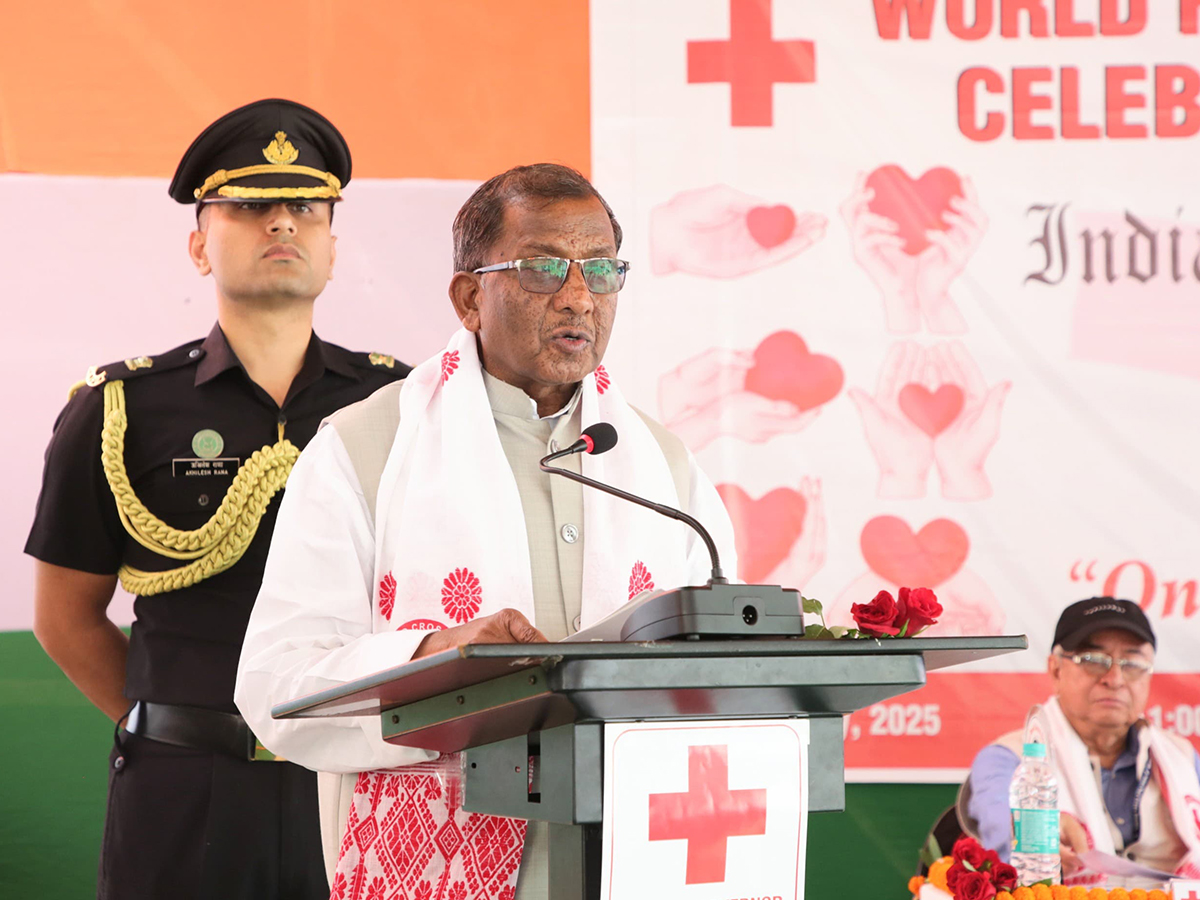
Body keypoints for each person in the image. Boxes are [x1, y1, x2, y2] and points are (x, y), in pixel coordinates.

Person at [235, 163, 739, 900]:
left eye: (601, 270)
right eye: (541, 268)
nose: (578, 297)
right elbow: (274, 683)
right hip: (446, 856)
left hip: (637, 853)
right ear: (471, 297)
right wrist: (430, 656)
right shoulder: (364, 447)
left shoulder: (664, 466)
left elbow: (726, 661)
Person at [25, 98, 410, 899]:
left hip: (354, 772)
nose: (282, 225)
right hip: (182, 785)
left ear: (333, 249)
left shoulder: (400, 404)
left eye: (306, 207)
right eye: (250, 207)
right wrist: (168, 723)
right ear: (200, 246)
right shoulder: (120, 407)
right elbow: (65, 616)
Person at [963, 597, 1200, 887]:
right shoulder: (1008, 757)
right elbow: (1000, 830)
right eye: (1092, 660)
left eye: (1133, 663)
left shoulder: (1182, 758)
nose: (1115, 679)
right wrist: (1035, 831)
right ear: (1055, 670)